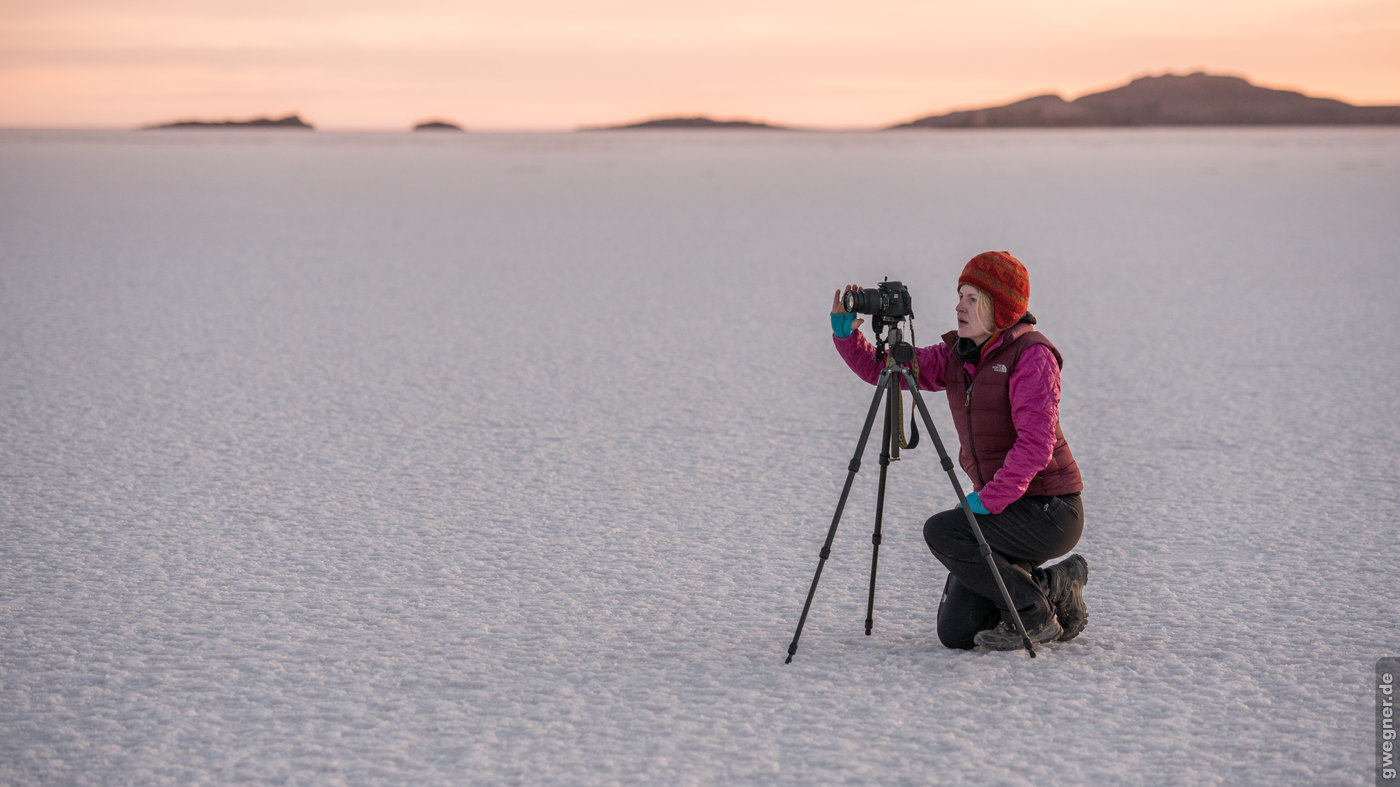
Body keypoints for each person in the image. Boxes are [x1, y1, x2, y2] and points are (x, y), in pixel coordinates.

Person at [829, 251, 1088, 650]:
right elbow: (889, 370)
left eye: (972, 298)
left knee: (944, 531)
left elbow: (1036, 446)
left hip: (1049, 510)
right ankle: (1053, 586)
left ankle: (1036, 614)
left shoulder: (1031, 356)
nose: (959, 306)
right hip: (1005, 508)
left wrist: (988, 501)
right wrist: (848, 337)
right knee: (957, 633)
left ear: (998, 308)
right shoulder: (956, 357)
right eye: (960, 295)